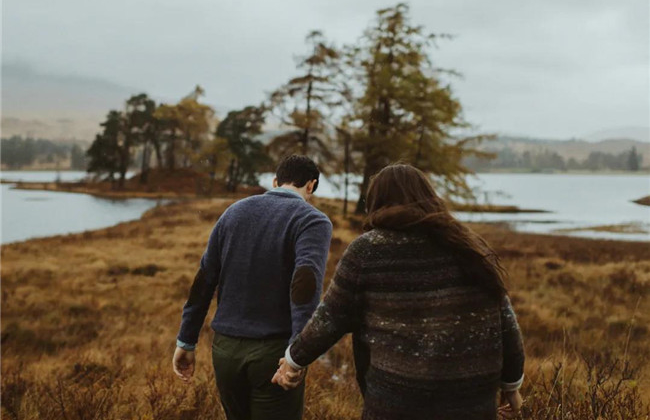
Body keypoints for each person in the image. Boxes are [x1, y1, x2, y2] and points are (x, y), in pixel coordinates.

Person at [272, 163, 525, 420]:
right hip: (473, 404)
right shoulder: (468, 246)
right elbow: (506, 322)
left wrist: (293, 360)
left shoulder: (367, 251)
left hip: (396, 404)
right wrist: (511, 385)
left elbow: (330, 318)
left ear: (376, 202)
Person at [173, 154, 333, 420]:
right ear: (311, 186)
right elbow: (305, 282)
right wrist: (297, 353)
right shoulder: (312, 220)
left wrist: (186, 341)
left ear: (275, 181)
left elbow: (205, 278)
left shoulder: (233, 212)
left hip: (225, 352)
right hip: (274, 354)